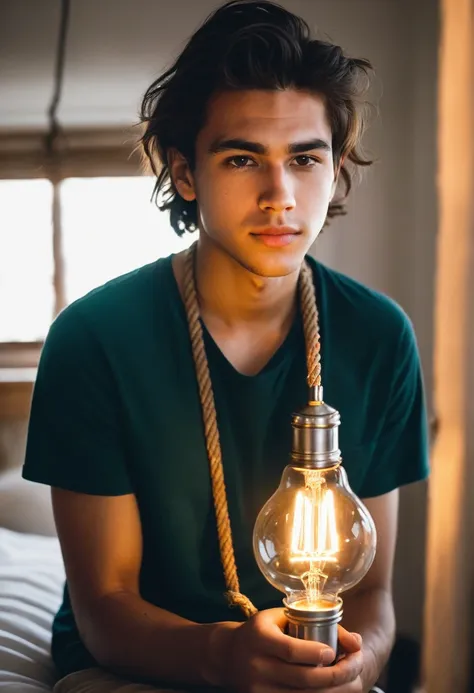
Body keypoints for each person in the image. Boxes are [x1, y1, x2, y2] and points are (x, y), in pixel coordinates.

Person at [22, 1, 430, 692]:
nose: (279, 195)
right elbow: (106, 605)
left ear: (335, 170)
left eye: (304, 158)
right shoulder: (94, 339)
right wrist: (222, 656)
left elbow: (371, 593)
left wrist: (361, 663)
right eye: (243, 158)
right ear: (185, 173)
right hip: (132, 668)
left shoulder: (379, 336)